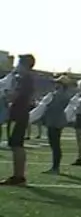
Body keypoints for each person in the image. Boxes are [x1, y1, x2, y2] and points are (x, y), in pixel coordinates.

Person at [1, 54, 36, 186]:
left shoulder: (24, 79)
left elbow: (13, 96)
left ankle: (19, 176)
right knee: (16, 145)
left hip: (18, 113)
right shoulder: (25, 78)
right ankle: (18, 176)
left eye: (19, 63)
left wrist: (4, 92)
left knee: (16, 145)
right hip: (19, 113)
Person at [42, 76, 73, 175]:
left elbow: (54, 106)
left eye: (58, 83)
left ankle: (55, 168)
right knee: (54, 145)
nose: (55, 85)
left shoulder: (61, 95)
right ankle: (55, 167)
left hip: (56, 122)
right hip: (54, 121)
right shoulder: (60, 94)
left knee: (55, 145)